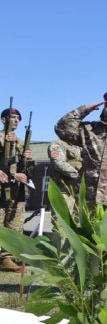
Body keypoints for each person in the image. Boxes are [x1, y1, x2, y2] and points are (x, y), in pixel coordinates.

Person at [0, 107, 33, 273]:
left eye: (18, 118)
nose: (17, 120)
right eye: (13, 117)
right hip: (1, 187)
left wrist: (27, 160)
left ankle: (7, 258)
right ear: (3, 120)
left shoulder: (20, 142)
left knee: (13, 224)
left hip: (15, 189)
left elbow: (26, 168)